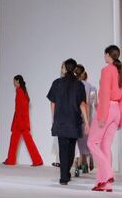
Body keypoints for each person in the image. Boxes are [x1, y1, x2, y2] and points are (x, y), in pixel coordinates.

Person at [87, 45, 122, 192]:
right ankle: (104, 183)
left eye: (105, 54)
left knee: (91, 142)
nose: (104, 56)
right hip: (116, 110)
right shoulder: (121, 71)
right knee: (105, 146)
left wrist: (102, 115)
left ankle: (108, 174)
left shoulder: (106, 70)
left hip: (107, 109)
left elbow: (104, 94)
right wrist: (120, 118)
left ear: (108, 55)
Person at [46, 58, 89, 186]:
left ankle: (64, 176)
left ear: (64, 68)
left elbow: (52, 103)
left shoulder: (57, 83)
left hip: (61, 120)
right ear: (75, 69)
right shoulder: (79, 85)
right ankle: (65, 175)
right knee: (70, 150)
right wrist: (87, 122)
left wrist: (54, 118)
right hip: (74, 121)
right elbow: (82, 104)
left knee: (63, 149)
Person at [3, 74, 43, 166]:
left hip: (20, 122)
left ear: (17, 81)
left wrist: (18, 122)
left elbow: (19, 108)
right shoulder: (23, 91)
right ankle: (12, 160)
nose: (13, 83)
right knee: (19, 140)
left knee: (20, 141)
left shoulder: (19, 91)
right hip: (22, 121)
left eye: (14, 81)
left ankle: (36, 160)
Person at [73, 64, 96, 176]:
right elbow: (93, 103)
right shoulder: (91, 87)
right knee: (85, 142)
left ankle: (76, 166)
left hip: (74, 117)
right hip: (87, 117)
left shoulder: (73, 86)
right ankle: (85, 164)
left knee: (75, 142)